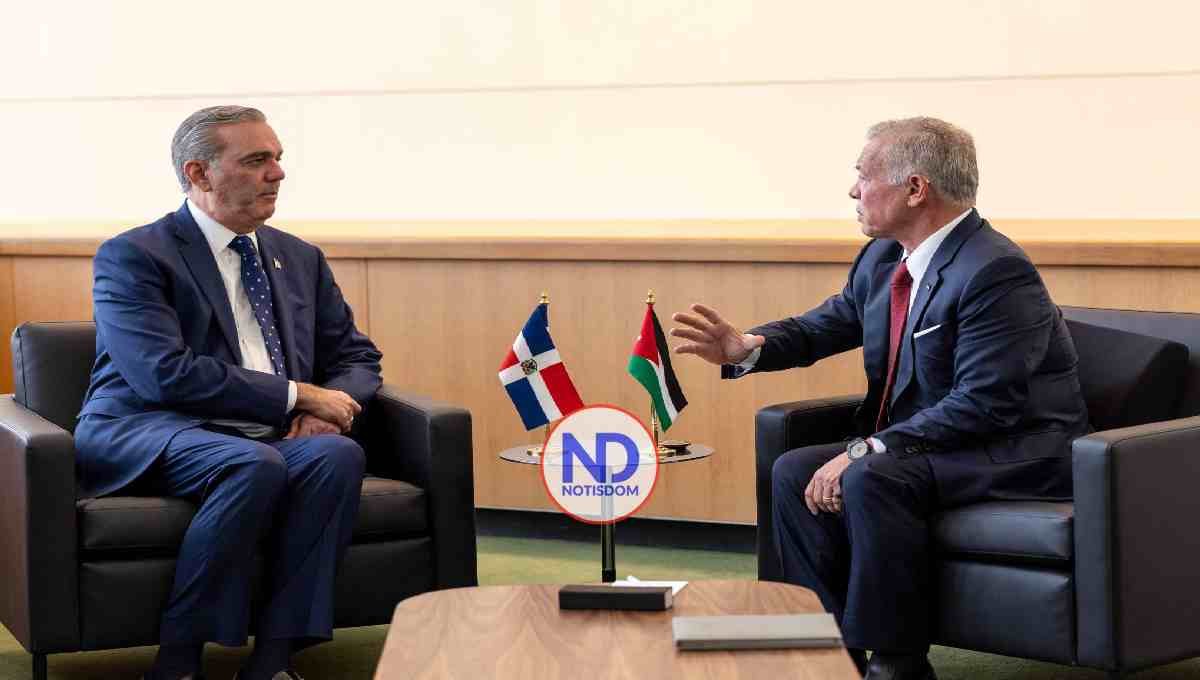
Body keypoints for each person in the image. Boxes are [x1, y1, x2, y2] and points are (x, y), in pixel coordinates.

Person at [670, 117, 1089, 680]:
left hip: (1014, 446)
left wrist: (870, 449)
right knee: (795, 471)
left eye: (863, 176)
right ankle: (823, 653)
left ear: (916, 189)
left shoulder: (994, 270)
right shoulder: (884, 258)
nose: (852, 191)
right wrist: (747, 347)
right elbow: (830, 323)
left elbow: (987, 404)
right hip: (935, 442)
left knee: (872, 476)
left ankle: (897, 663)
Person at [74, 105, 383, 680]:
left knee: (336, 456)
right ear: (199, 173)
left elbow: (358, 357)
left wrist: (327, 412)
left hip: (263, 433)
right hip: (153, 427)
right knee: (252, 465)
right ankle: (179, 662)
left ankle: (272, 660)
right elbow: (161, 373)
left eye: (278, 158)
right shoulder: (134, 256)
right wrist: (296, 397)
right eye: (257, 160)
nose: (278, 173)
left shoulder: (299, 257)